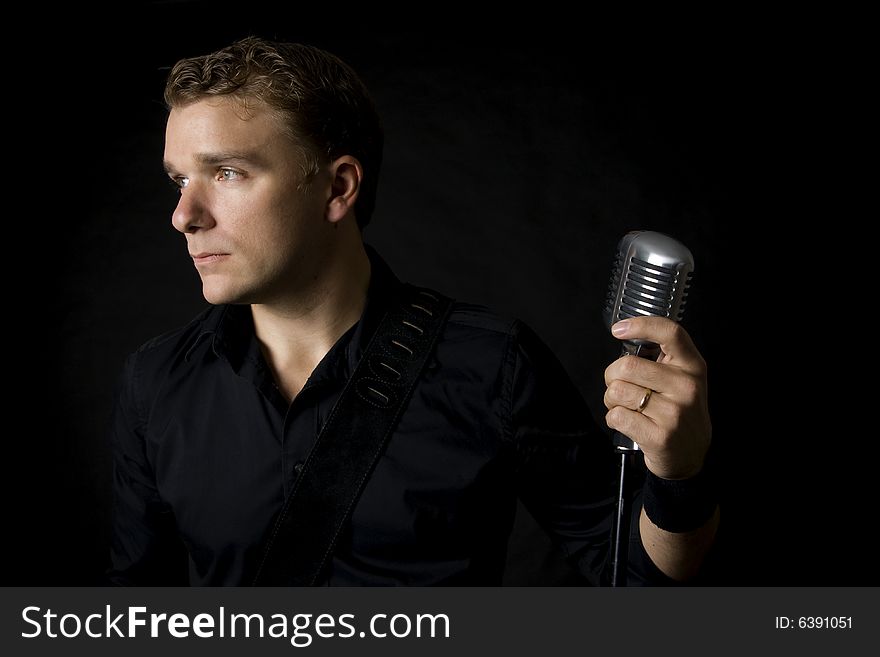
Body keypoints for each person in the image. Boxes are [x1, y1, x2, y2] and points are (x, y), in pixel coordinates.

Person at [107, 36, 719, 586]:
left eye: (227, 172)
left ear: (338, 188)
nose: (184, 216)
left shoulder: (493, 365)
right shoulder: (157, 381)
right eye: (178, 181)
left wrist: (681, 476)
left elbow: (638, 579)